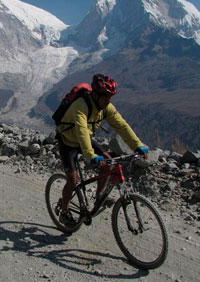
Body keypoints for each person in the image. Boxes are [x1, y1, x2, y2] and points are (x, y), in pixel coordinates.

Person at [56, 74, 149, 226]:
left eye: (111, 96)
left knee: (108, 162)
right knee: (72, 179)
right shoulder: (80, 106)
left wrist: (137, 145)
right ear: (95, 94)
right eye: (106, 96)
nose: (109, 100)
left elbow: (122, 126)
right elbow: (82, 131)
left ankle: (99, 196)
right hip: (68, 141)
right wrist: (90, 156)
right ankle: (64, 211)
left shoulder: (106, 108)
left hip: (84, 140)